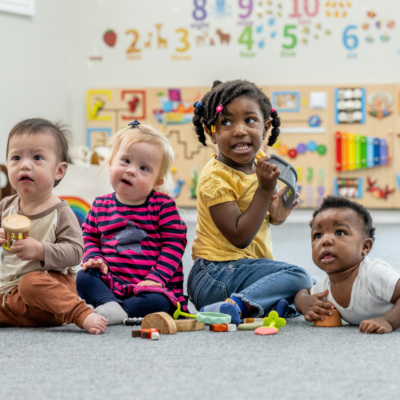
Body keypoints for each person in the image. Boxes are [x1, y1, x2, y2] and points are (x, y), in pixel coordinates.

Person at [187, 79, 313, 325]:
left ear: (265, 128)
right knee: (299, 277)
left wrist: (278, 212)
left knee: (312, 287)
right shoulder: (215, 179)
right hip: (213, 275)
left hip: (245, 271)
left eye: (250, 120)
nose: (239, 130)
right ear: (211, 132)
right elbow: (240, 235)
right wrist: (265, 190)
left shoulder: (262, 162)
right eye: (226, 122)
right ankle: (233, 305)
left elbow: (265, 215)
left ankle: (265, 305)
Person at [0, 118, 107, 334]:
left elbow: (76, 252)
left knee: (31, 283)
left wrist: (40, 250)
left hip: (50, 288)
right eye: (16, 157)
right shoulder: (5, 206)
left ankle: (79, 312)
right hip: (10, 294)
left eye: (37, 157)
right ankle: (21, 316)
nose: (25, 164)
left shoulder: (60, 211)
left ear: (59, 171)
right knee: (18, 292)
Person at [76, 121, 188, 325]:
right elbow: (90, 236)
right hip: (112, 281)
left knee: (160, 302)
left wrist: (157, 278)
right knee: (83, 277)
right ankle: (110, 303)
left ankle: (121, 311)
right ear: (111, 163)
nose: (131, 171)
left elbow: (174, 244)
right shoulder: (100, 205)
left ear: (157, 182)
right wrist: (94, 258)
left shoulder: (162, 206)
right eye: (125, 161)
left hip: (150, 286)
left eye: (144, 168)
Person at [295, 195, 400, 334]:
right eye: (318, 235)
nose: (325, 240)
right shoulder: (325, 288)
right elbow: (303, 293)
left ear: (365, 247)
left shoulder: (373, 273)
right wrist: (304, 303)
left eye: (339, 232)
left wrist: (388, 320)